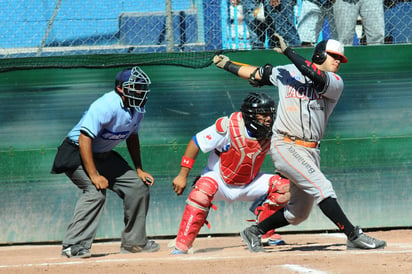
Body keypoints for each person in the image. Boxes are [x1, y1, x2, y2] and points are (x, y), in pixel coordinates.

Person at [213, 34, 387, 252]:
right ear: (320, 54)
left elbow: (314, 75)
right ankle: (353, 235)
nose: (337, 61)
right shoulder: (287, 72)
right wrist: (226, 64)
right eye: (333, 56)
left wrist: (288, 52)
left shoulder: (335, 82)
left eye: (340, 59)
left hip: (311, 151)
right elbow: (257, 73)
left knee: (298, 213)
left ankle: (253, 232)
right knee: (323, 188)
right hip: (286, 145)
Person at [51, 66, 160, 258]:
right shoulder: (105, 105)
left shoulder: (138, 108)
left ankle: (134, 242)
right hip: (77, 152)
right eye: (136, 87)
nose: (141, 91)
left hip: (103, 155)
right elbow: (85, 138)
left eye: (143, 87)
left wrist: (139, 169)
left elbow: (132, 137)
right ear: (121, 88)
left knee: (137, 186)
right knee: (95, 192)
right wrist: (94, 175)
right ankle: (73, 245)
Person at [170, 92, 290, 254]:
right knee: (202, 191)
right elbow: (196, 142)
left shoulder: (272, 133)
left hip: (250, 183)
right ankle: (182, 244)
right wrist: (182, 175)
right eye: (263, 115)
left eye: (270, 115)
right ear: (250, 115)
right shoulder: (228, 127)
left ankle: (263, 233)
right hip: (218, 181)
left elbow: (285, 155)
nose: (268, 119)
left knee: (284, 188)